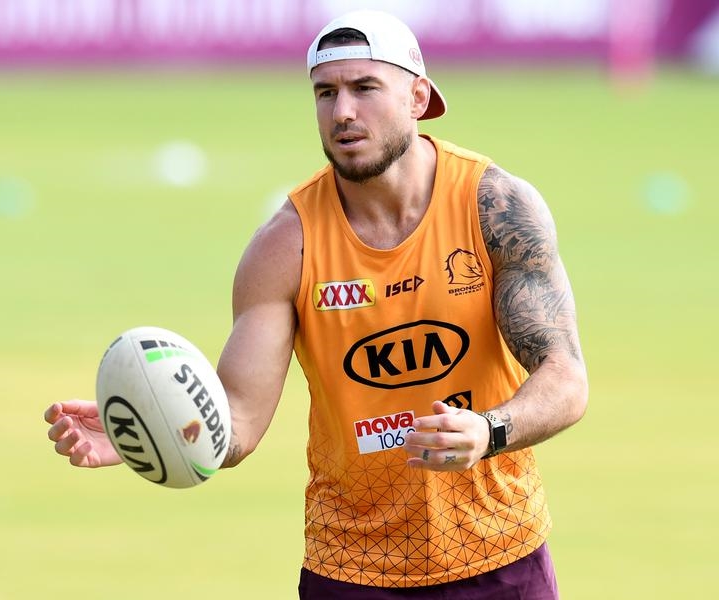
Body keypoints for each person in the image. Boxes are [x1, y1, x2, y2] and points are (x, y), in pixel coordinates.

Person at [44, 9, 588, 599]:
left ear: (418, 97)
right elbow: (238, 423)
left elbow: (565, 379)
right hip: (352, 569)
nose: (342, 112)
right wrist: (155, 428)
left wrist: (487, 430)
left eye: (364, 88)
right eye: (325, 93)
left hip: (500, 554)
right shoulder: (286, 246)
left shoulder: (495, 207)